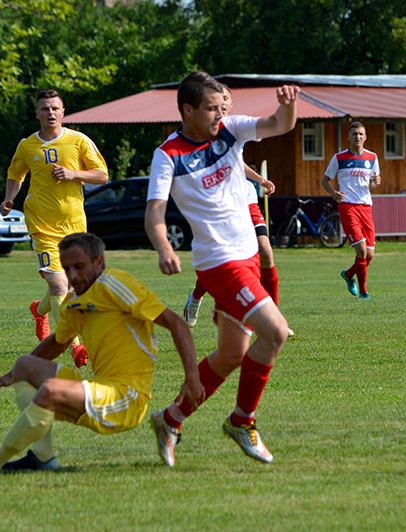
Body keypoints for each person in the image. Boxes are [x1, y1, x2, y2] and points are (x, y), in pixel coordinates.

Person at [0, 232, 204, 474]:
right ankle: (43, 458)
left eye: (79, 267)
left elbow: (176, 323)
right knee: (25, 365)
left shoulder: (116, 284)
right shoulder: (74, 302)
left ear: (99, 263)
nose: (72, 276)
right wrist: (11, 374)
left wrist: (192, 377)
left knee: (50, 390)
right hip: (100, 387)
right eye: (67, 269)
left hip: (126, 399)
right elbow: (58, 342)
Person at [145, 71, 298, 466]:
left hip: (246, 254)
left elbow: (279, 124)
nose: (220, 113)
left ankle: (171, 418)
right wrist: (163, 247)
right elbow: (154, 212)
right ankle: (242, 420)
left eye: (221, 107)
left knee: (232, 354)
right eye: (211, 108)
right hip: (219, 263)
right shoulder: (168, 155)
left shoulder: (230, 130)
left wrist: (288, 104)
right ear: (187, 110)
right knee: (276, 332)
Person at [0, 89, 109, 367]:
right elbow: (15, 174)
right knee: (60, 283)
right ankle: (74, 347)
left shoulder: (78, 141)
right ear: (36, 113)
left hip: (74, 227)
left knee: (73, 284)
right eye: (45, 108)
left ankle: (40, 310)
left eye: (55, 108)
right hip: (42, 226)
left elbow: (102, 175)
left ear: (63, 112)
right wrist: (9, 197)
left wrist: (74, 173)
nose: (50, 113)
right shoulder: (27, 146)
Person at [183, 83, 292, 337]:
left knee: (266, 251)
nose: (221, 104)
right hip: (223, 206)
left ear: (230, 104)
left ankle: (273, 318)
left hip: (247, 198)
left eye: (225, 100)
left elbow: (238, 162)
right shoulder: (202, 132)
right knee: (225, 260)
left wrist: (259, 180)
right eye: (215, 100)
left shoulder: (235, 127)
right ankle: (196, 297)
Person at [322, 121, 381, 300]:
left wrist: (375, 183)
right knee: (361, 251)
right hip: (347, 206)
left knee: (370, 254)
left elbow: (373, 181)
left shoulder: (372, 158)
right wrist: (334, 193)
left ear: (365, 137)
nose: (357, 137)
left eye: (361, 134)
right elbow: (325, 180)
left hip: (366, 206)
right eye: (354, 134)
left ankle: (348, 275)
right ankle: (363, 291)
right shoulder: (339, 158)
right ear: (348, 137)